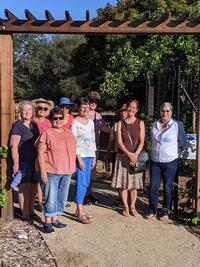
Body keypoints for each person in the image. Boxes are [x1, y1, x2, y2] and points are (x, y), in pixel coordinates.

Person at [35, 107, 77, 233]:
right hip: (50, 170)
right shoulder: (47, 133)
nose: (58, 120)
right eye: (55, 118)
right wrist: (42, 172)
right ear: (51, 119)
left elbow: (73, 150)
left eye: (60, 118)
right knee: (50, 197)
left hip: (66, 171)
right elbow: (40, 153)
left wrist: (73, 166)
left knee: (61, 197)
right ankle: (47, 222)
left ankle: (55, 219)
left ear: (64, 119)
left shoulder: (69, 132)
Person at [146, 102, 187, 221]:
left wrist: (175, 153)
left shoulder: (177, 125)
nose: (165, 113)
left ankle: (165, 211)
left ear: (171, 112)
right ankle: (152, 210)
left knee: (168, 188)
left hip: (170, 161)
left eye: (167, 111)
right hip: (155, 161)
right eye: (163, 111)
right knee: (153, 187)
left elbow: (183, 143)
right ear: (160, 112)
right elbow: (150, 140)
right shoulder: (154, 125)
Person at [111, 100, 145, 216]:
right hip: (122, 157)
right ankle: (125, 206)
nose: (131, 109)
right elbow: (119, 142)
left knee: (134, 184)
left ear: (137, 110)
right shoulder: (121, 123)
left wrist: (135, 155)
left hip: (135, 158)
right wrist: (129, 154)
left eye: (134, 108)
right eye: (129, 107)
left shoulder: (140, 123)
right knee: (122, 183)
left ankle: (132, 206)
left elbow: (141, 142)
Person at [10, 101, 40, 221]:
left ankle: (31, 211)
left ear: (33, 111)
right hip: (23, 162)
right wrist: (16, 164)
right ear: (20, 112)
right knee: (24, 189)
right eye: (24, 110)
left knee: (33, 188)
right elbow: (13, 146)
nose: (27, 112)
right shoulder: (18, 125)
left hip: (35, 162)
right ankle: (25, 215)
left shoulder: (34, 125)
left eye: (29, 110)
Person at [71, 97, 96, 224]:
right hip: (80, 157)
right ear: (78, 107)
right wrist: (79, 159)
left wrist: (94, 156)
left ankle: (78, 208)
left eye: (87, 106)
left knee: (86, 182)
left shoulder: (91, 122)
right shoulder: (75, 123)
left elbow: (93, 139)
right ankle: (80, 211)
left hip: (89, 155)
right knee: (81, 182)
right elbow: (73, 143)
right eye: (83, 106)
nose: (85, 109)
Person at [84, 91, 110, 205]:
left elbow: (105, 129)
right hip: (84, 147)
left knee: (91, 172)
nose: (94, 103)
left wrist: (119, 128)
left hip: (95, 146)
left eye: (96, 102)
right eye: (91, 101)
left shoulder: (98, 116)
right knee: (84, 171)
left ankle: (88, 194)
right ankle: (83, 195)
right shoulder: (84, 113)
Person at [32, 98, 54, 212]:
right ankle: (39, 201)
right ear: (35, 108)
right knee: (36, 178)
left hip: (45, 154)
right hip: (32, 153)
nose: (42, 110)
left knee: (44, 177)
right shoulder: (32, 121)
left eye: (45, 108)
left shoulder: (48, 122)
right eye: (39, 108)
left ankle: (44, 200)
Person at [107, 103, 127, 207]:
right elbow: (111, 140)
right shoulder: (116, 125)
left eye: (125, 111)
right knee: (118, 178)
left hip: (129, 155)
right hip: (117, 154)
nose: (123, 113)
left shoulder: (133, 124)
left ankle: (127, 199)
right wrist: (108, 152)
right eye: (122, 111)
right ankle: (120, 198)